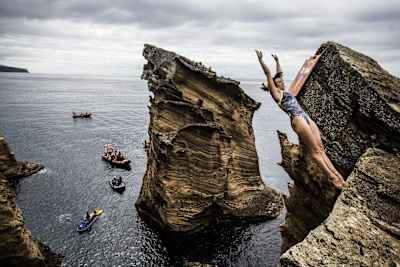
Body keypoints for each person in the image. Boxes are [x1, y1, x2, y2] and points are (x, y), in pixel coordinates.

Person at [255, 49, 345, 189]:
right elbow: (268, 75)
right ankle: (332, 178)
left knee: (321, 149)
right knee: (314, 152)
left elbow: (279, 73)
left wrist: (277, 61)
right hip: (297, 119)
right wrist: (261, 60)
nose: (282, 82)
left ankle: (337, 174)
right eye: (279, 82)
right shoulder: (276, 95)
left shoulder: (285, 90)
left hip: (304, 116)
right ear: (274, 85)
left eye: (282, 80)